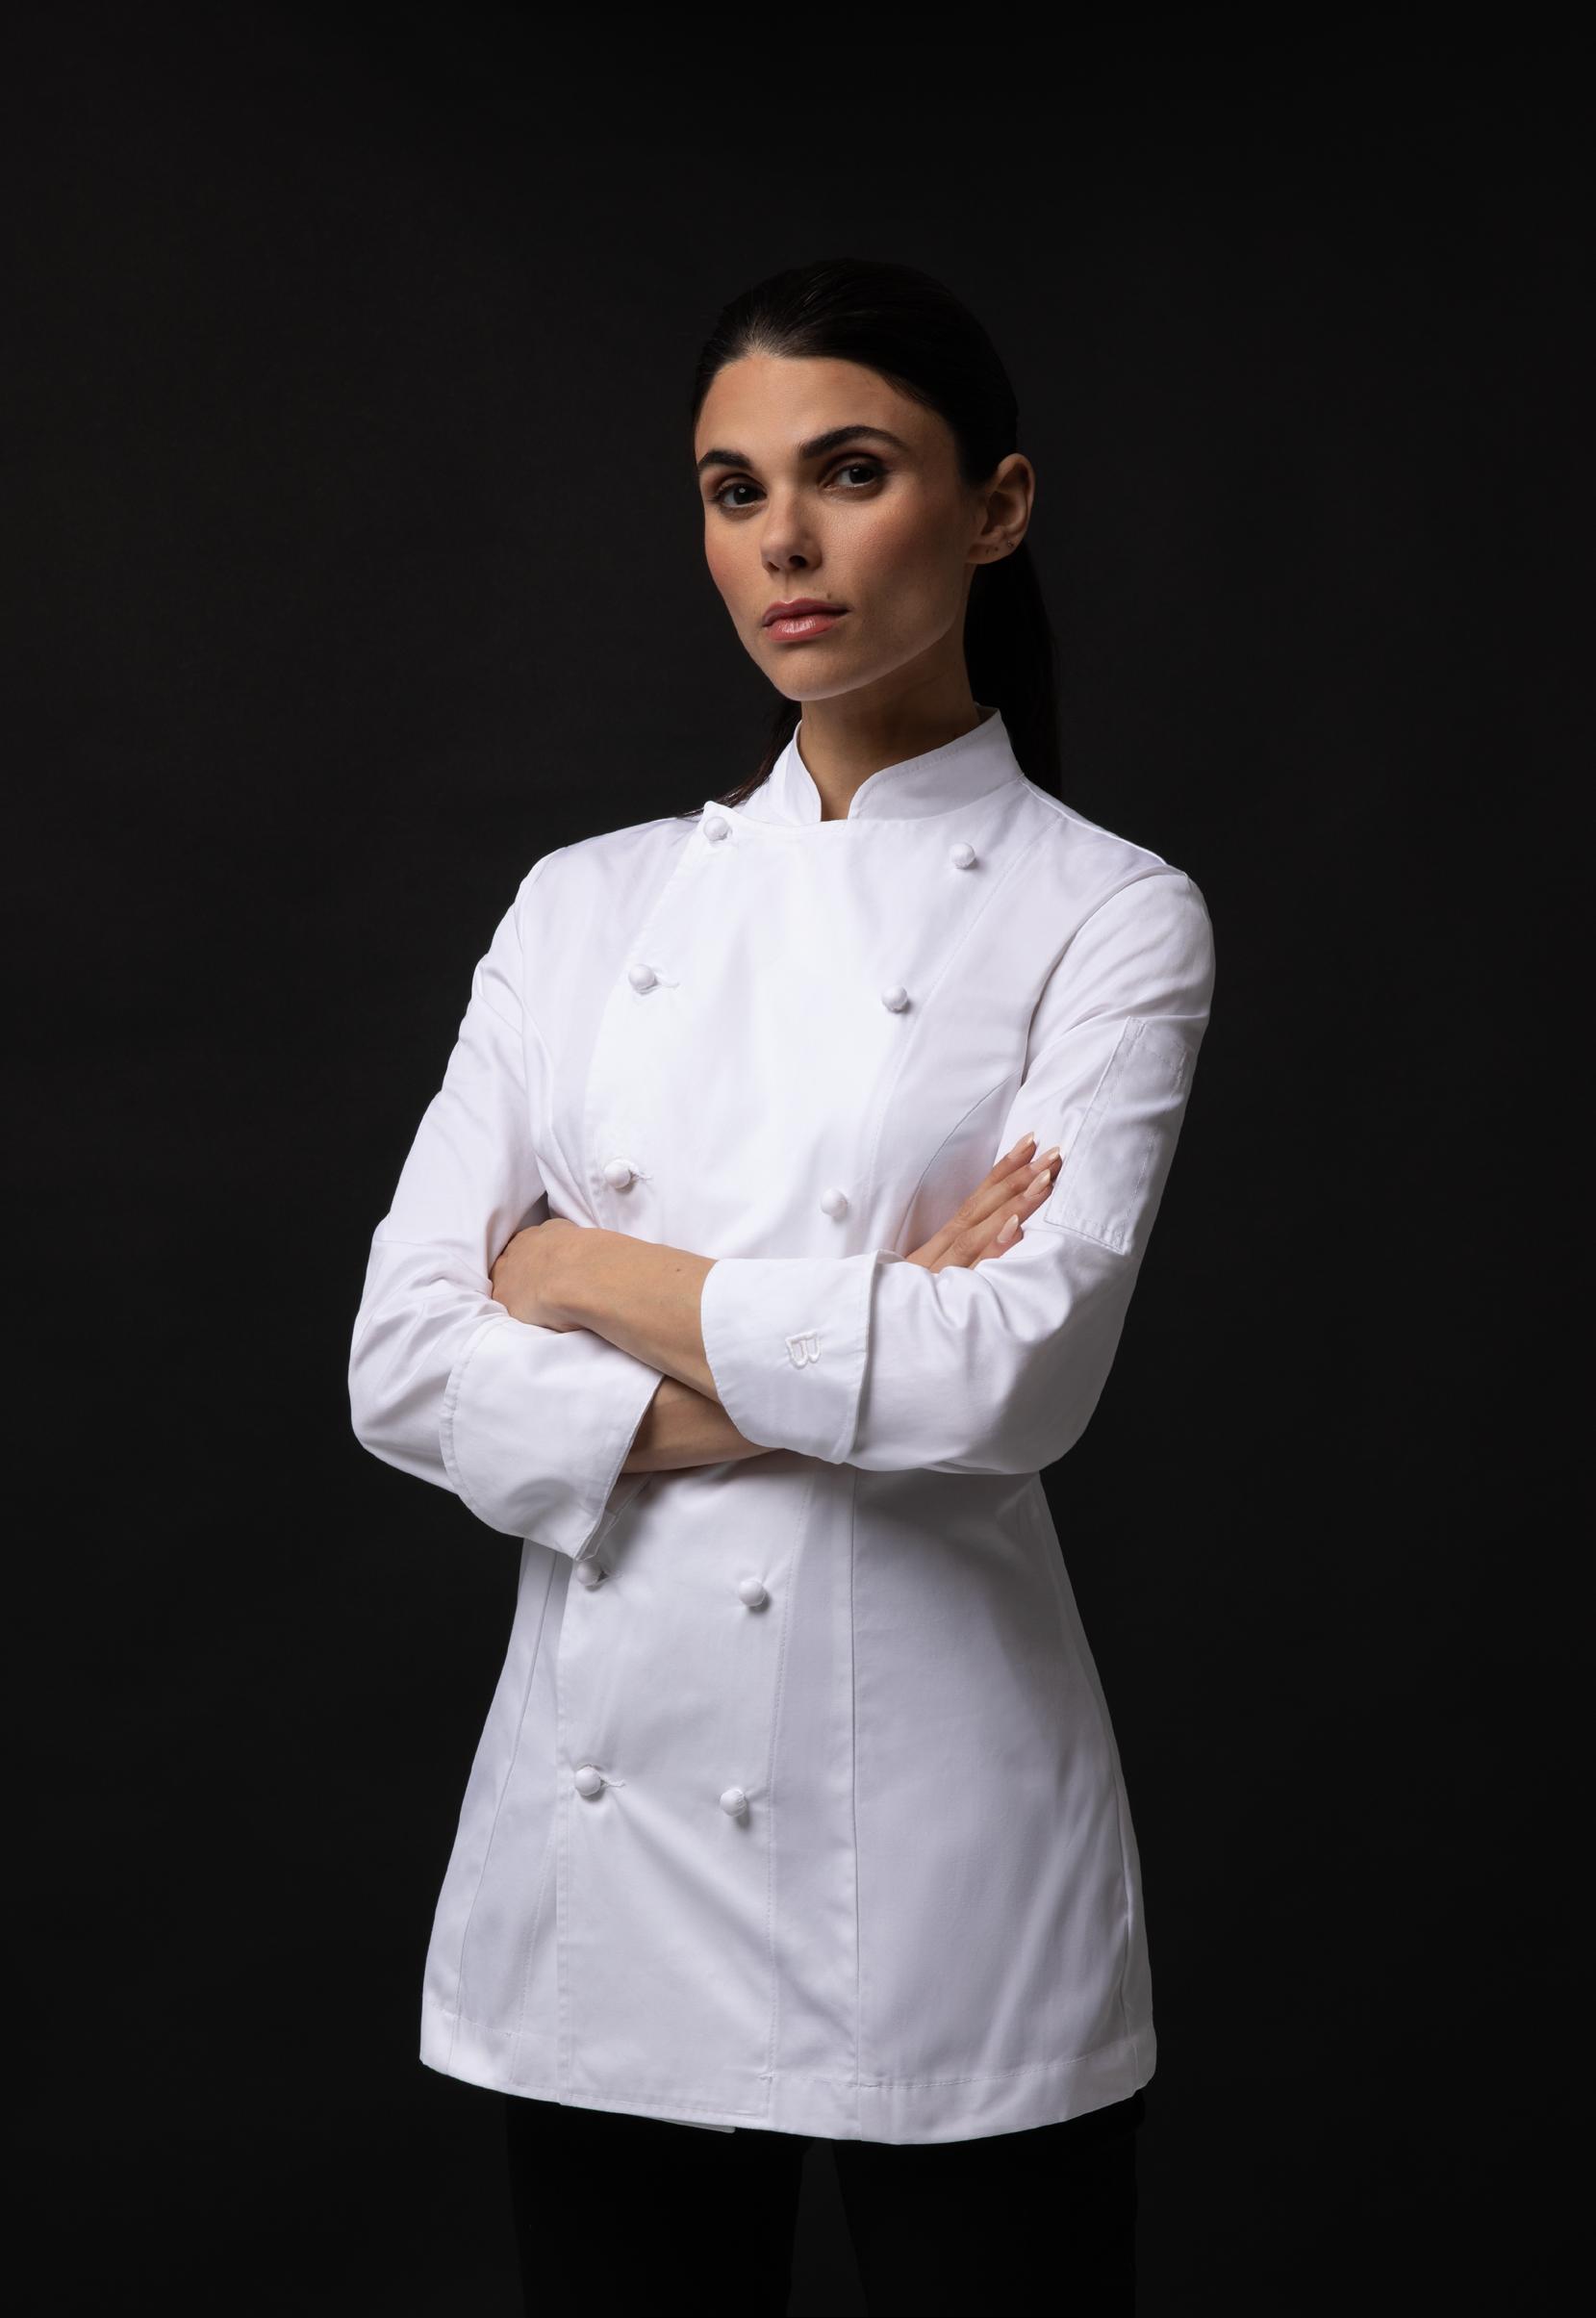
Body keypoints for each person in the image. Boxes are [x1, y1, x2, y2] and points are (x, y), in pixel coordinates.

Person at [347, 254, 1216, 2314]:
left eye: (850, 471)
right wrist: (850, 1337)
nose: (784, 542)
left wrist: (575, 1268)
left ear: (992, 507)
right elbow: (400, 1362)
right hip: (603, 1858)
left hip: (937, 1848)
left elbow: (1006, 1381)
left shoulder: (1108, 912)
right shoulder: (584, 906)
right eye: (734, 491)